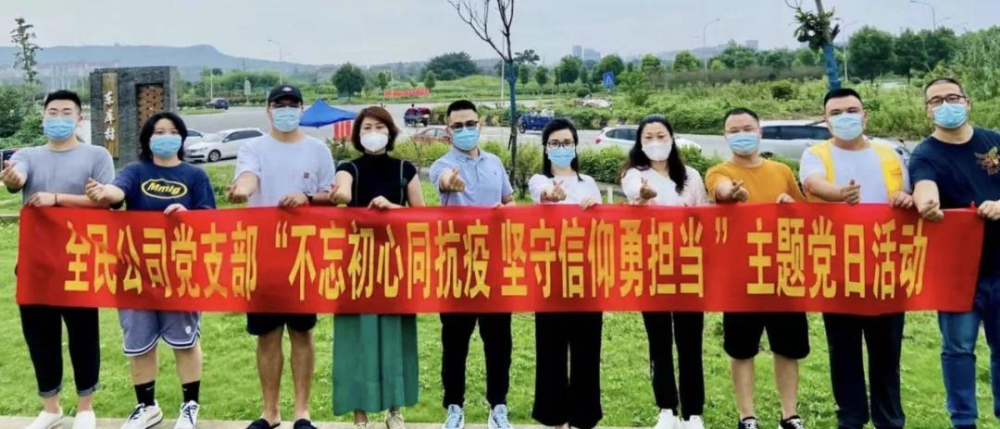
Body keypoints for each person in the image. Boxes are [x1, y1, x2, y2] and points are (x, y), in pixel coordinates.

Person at [85, 112, 216, 429]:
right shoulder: (135, 171)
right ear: (148, 139)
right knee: (139, 343)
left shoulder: (195, 176)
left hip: (180, 273)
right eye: (159, 132)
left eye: (172, 131)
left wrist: (187, 214)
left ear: (181, 138)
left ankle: (190, 406)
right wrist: (105, 193)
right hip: (135, 274)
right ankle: (146, 407)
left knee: (185, 342)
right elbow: (118, 192)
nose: (165, 136)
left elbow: (210, 219)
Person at [800, 88, 912, 429]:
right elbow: (814, 184)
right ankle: (850, 418)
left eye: (851, 110)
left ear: (864, 116)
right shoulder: (815, 154)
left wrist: (906, 199)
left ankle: (889, 419)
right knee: (844, 351)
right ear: (826, 121)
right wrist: (841, 194)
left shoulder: (889, 154)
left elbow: (907, 195)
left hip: (886, 269)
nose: (845, 117)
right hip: (838, 270)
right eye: (836, 113)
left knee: (887, 353)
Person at [228, 85, 337, 429]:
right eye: (280, 104)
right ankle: (270, 412)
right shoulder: (253, 147)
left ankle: (302, 412)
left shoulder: (318, 150)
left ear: (302, 109)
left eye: (293, 104)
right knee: (268, 334)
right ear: (268, 110)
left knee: (302, 332)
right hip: (263, 253)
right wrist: (241, 190)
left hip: (304, 253)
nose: (286, 110)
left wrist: (307, 197)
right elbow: (248, 178)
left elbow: (332, 195)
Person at [3, 90, 114, 429]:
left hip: (80, 261)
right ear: (43, 117)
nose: (59, 118)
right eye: (53, 112)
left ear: (79, 119)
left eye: (67, 112)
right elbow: (17, 176)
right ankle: (51, 407)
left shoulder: (96, 155)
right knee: (40, 336)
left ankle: (85, 407)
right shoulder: (28, 155)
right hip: (36, 263)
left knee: (83, 334)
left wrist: (57, 198)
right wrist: (14, 178)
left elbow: (108, 200)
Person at [706, 108, 810, 429]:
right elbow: (721, 190)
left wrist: (792, 207)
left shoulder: (781, 171)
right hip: (741, 277)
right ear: (725, 136)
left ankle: (789, 415)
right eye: (734, 130)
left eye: (748, 128)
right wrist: (732, 193)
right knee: (741, 350)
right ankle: (747, 416)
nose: (742, 135)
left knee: (787, 349)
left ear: (759, 131)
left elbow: (805, 214)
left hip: (783, 273)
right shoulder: (719, 171)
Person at [910, 77, 1000, 429]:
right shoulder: (926, 153)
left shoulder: (993, 141)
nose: (945, 105)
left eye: (952, 97)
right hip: (958, 274)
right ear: (928, 111)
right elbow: (923, 186)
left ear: (967, 101)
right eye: (936, 101)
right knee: (959, 349)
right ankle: (963, 420)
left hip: (999, 265)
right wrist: (926, 204)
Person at [328, 106, 425, 429]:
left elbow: (421, 215)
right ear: (358, 135)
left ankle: (395, 410)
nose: (373, 132)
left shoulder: (405, 169)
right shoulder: (349, 168)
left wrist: (394, 208)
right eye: (367, 127)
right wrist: (340, 195)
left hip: (394, 264)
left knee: (395, 334)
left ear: (390, 132)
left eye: (380, 127)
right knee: (357, 336)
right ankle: (360, 414)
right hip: (356, 265)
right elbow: (342, 189)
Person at [430, 100, 515, 429]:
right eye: (458, 126)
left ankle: (499, 406)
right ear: (449, 131)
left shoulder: (495, 163)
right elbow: (443, 180)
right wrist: (450, 182)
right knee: (455, 342)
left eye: (470, 124)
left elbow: (509, 201)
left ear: (480, 125)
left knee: (499, 342)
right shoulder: (442, 165)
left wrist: (507, 211)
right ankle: (454, 407)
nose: (465, 130)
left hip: (495, 266)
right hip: (457, 267)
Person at [620, 115, 708, 429]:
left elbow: (704, 217)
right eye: (648, 137)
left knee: (690, 341)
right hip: (652, 267)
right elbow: (634, 192)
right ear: (640, 143)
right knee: (659, 340)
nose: (656, 142)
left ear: (672, 138)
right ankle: (666, 408)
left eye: (661, 136)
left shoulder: (691, 176)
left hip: (687, 267)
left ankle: (693, 412)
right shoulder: (634, 174)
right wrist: (644, 196)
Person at [527, 118, 602, 429]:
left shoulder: (589, 183)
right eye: (555, 143)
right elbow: (543, 193)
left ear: (575, 145)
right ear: (546, 148)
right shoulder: (538, 180)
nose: (561, 148)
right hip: (551, 275)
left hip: (586, 275)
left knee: (587, 349)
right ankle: (554, 418)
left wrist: (594, 207)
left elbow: (603, 226)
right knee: (551, 350)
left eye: (567, 142)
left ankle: (583, 418)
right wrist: (552, 195)